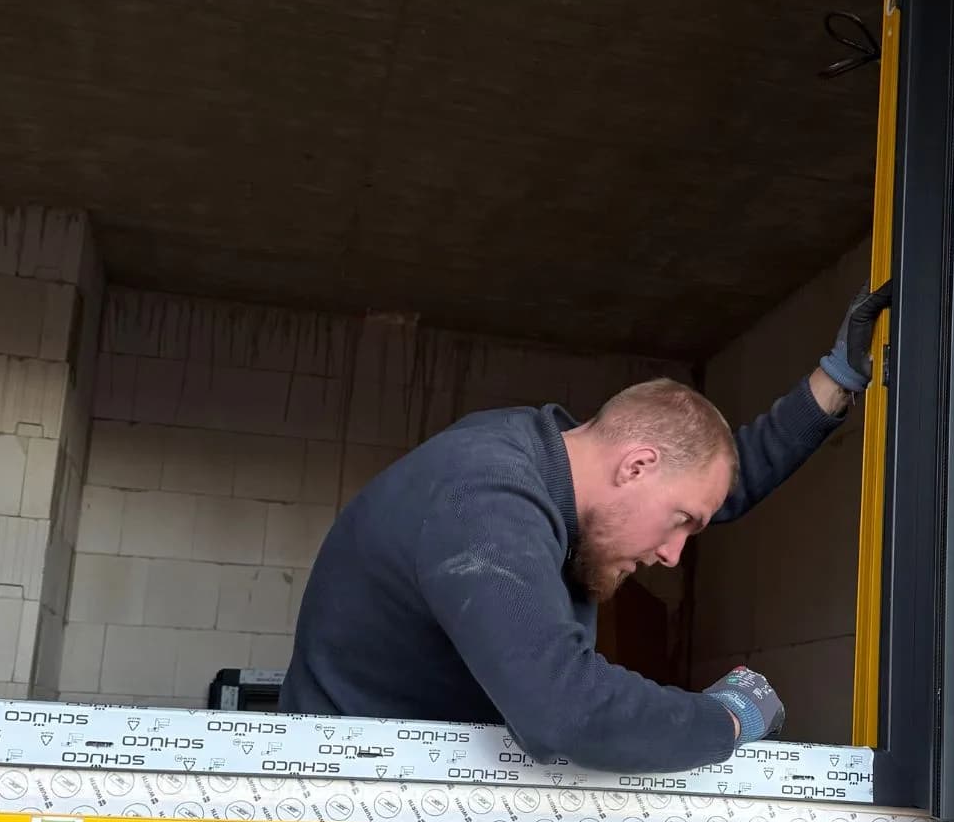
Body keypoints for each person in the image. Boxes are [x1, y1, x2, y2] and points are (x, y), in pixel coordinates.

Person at [280, 283, 892, 773]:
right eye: (680, 524)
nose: (674, 555)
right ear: (637, 465)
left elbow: (712, 483)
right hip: (355, 806)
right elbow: (565, 710)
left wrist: (836, 382)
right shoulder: (485, 501)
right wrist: (725, 720)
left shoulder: (554, 462)